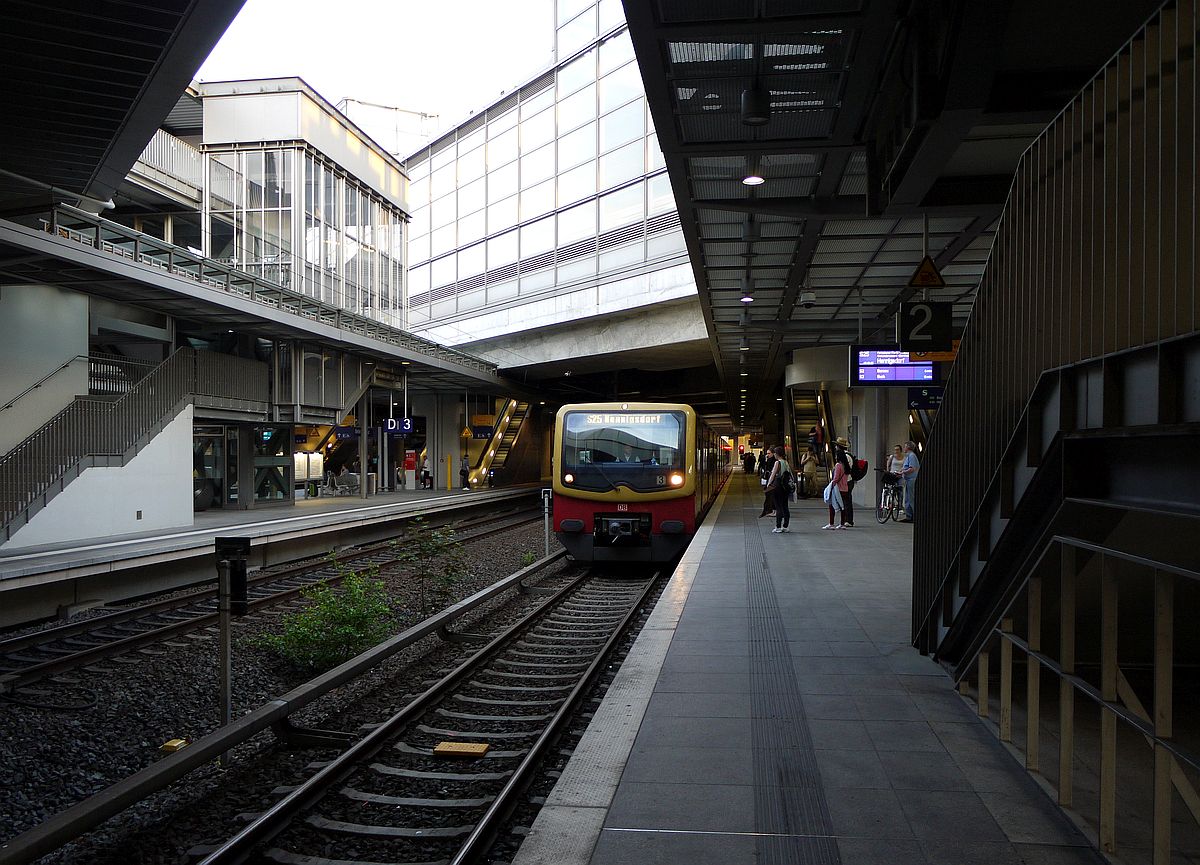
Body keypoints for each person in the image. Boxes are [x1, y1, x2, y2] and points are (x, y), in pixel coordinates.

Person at [766, 445, 792, 533]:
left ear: (776, 454)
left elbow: (773, 475)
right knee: (785, 506)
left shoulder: (778, 463)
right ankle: (786, 526)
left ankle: (778, 526)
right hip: (785, 487)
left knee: (778, 506)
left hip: (778, 486)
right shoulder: (786, 462)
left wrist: (768, 485)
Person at [823, 451, 849, 529]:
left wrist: (831, 485)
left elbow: (836, 478)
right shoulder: (846, 466)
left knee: (832, 505)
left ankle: (831, 523)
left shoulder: (838, 465)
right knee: (843, 506)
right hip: (845, 488)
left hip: (838, 489)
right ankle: (842, 523)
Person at [834, 437, 855, 527]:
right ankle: (847, 519)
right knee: (846, 500)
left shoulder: (845, 456)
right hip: (848, 480)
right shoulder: (848, 455)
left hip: (847, 481)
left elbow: (844, 470)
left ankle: (848, 520)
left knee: (847, 501)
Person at [899, 440, 920, 522]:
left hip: (911, 479)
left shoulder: (911, 456)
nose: (904, 448)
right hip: (909, 479)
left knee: (911, 498)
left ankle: (913, 516)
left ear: (908, 447)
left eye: (904, 446)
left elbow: (912, 469)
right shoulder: (909, 456)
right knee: (908, 498)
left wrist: (902, 472)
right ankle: (909, 516)